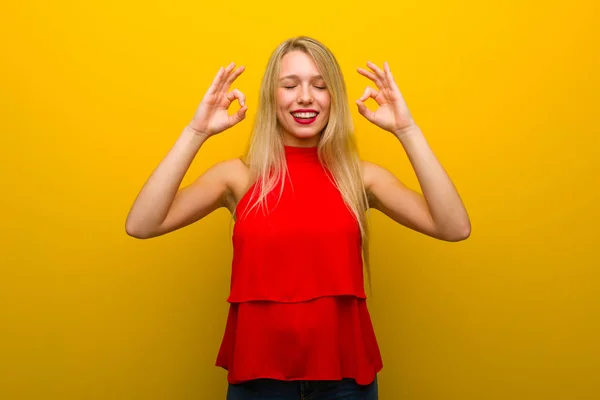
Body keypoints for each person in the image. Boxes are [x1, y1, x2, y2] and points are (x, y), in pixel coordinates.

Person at [125, 36, 470, 400]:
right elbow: (141, 224)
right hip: (258, 380)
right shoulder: (238, 177)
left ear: (333, 97)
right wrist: (196, 133)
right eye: (290, 85)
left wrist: (407, 131)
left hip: (346, 382)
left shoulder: (359, 177)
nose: (305, 96)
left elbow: (454, 227)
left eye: (320, 86)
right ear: (271, 98)